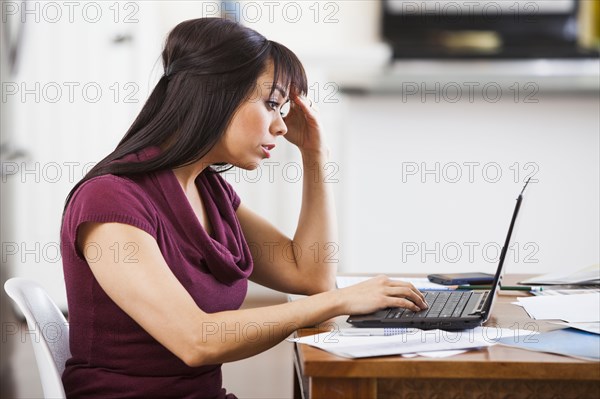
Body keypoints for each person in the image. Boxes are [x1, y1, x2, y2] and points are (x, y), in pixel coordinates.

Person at [60, 17, 428, 399]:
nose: (282, 126)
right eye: (271, 104)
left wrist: (315, 154)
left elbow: (310, 274)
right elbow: (195, 341)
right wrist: (336, 302)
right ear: (216, 93)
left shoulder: (208, 190)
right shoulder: (110, 200)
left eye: (283, 110)